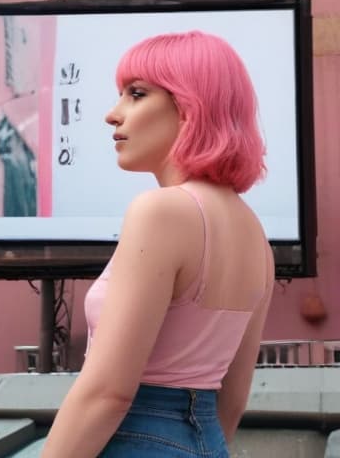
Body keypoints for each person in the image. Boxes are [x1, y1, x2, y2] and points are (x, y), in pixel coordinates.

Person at [41, 30, 275, 457]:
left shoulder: (161, 212)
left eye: (136, 94)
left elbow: (107, 393)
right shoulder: (256, 235)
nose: (113, 115)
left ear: (190, 107)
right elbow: (233, 398)